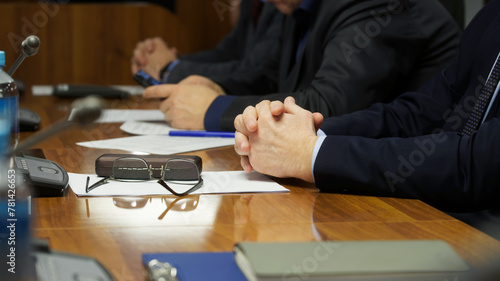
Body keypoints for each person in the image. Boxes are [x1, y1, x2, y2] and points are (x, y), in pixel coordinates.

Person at [234, 0, 500, 239]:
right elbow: (420, 113)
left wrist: (310, 153)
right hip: (435, 221)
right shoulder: (492, 17)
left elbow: (476, 164)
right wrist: (297, 133)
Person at [143, 0, 461, 131]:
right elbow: (267, 76)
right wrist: (217, 88)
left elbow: (330, 106)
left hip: (427, 200)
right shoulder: (297, 6)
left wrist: (213, 110)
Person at [131, 0, 283, 83]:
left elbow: (257, 70)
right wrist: (163, 60)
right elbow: (226, 54)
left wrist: (168, 68)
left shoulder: (285, 5)